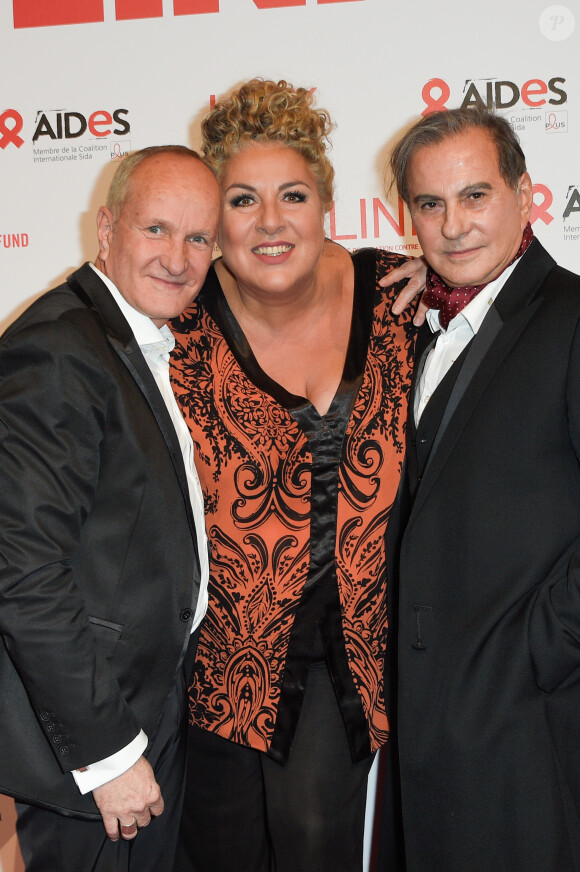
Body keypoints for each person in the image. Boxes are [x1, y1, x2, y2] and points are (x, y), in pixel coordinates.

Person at [169, 78, 424, 872]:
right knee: (220, 852)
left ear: (325, 203)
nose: (271, 222)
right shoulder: (175, 324)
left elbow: (510, 311)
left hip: (354, 656)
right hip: (215, 663)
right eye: (243, 201)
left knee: (318, 838)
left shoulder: (398, 295)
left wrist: (449, 286)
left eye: (293, 195)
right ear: (215, 220)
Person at [0, 145, 220, 871]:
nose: (178, 258)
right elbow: (23, 572)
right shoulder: (60, 350)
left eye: (198, 238)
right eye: (156, 230)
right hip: (97, 748)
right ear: (106, 229)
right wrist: (108, 757)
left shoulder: (127, 337)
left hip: (143, 713)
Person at [384, 106, 580, 871]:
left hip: (530, 722)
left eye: (475, 196)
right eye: (431, 204)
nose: (454, 225)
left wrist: (542, 649)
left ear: (525, 194)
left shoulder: (570, 317)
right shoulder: (415, 320)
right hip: (423, 729)